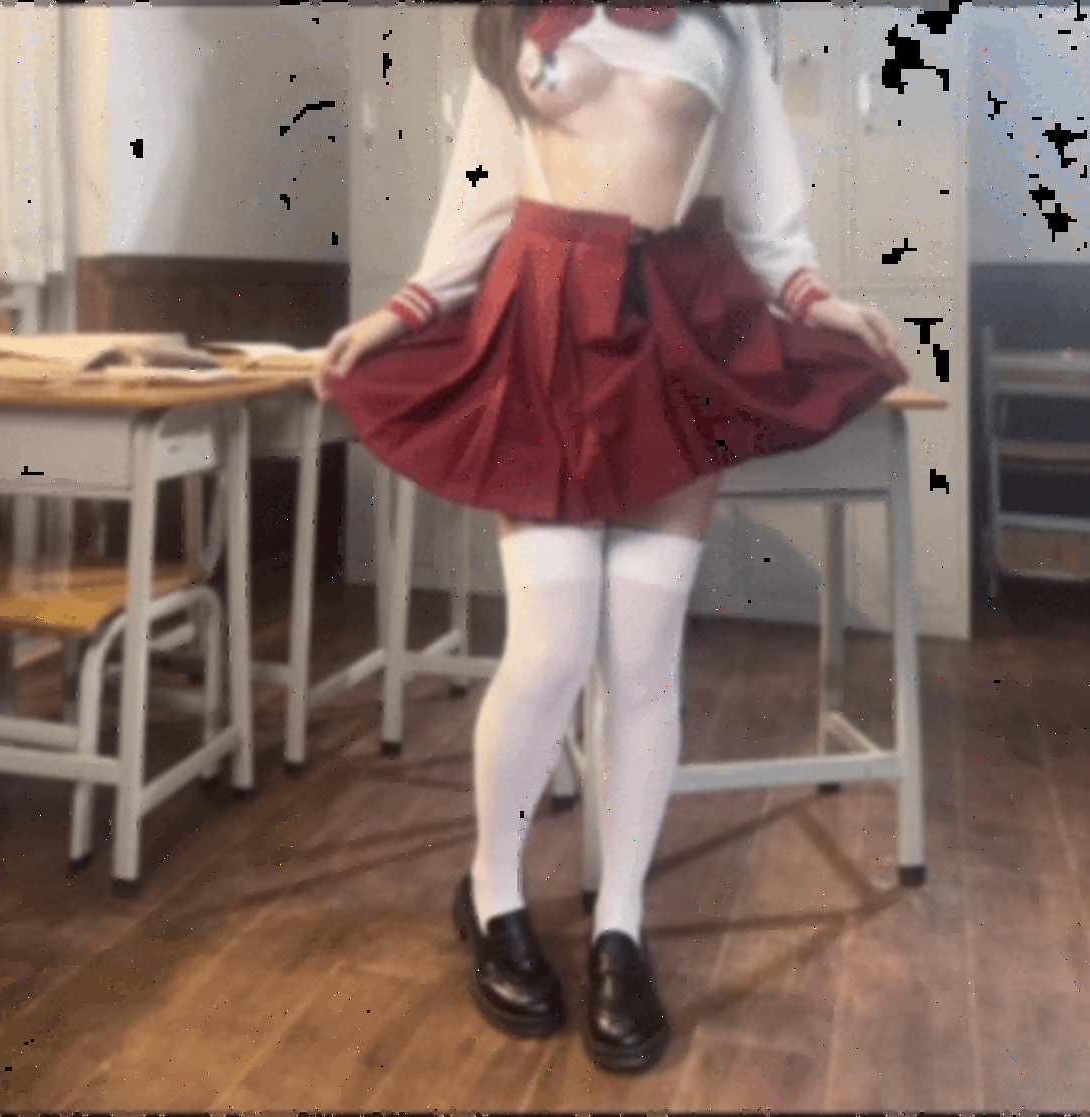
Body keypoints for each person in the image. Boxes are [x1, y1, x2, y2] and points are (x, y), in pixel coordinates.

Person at [317, 0, 908, 1074]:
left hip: (678, 319)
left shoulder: (726, 23)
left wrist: (813, 298)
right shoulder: (515, 19)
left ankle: (620, 925)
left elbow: (763, 193)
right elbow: (481, 187)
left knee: (642, 657)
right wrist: (402, 312)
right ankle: (493, 892)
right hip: (541, 314)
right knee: (550, 649)